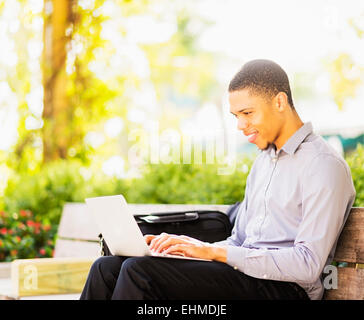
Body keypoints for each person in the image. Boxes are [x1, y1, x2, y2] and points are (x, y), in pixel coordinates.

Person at [80, 59, 356, 300]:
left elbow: (308, 265)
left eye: (248, 113)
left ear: (280, 102)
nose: (240, 125)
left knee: (139, 273)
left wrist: (214, 253)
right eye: (237, 116)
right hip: (244, 277)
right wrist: (186, 248)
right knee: (106, 269)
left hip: (286, 290)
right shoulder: (264, 161)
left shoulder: (323, 166)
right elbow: (238, 242)